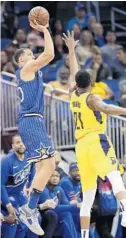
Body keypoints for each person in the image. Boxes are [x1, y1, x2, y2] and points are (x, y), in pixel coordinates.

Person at [63, 31, 126, 238]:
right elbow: (107, 109)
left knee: (88, 193)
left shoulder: (73, 94)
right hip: (96, 140)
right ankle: (125, 211)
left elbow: (74, 71)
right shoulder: (91, 98)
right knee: (115, 174)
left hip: (80, 146)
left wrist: (71, 50)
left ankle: (83, 234)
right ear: (90, 81)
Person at [13, 20, 58, 235]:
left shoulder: (31, 71)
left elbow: (46, 57)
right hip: (31, 120)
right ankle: (29, 209)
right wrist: (44, 29)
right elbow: (49, 54)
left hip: (32, 121)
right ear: (22, 60)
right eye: (29, 54)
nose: (33, 56)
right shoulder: (27, 67)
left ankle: (30, 207)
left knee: (43, 167)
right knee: (49, 166)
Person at [1, 134, 35, 238]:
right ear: (12, 146)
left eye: (23, 141)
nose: (21, 144)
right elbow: (0, 185)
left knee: (30, 220)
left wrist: (30, 187)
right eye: (18, 142)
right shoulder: (6, 161)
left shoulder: (30, 157)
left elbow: (32, 175)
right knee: (13, 222)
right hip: (6, 195)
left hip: (19, 195)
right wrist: (8, 205)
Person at [38, 169, 81, 238]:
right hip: (43, 217)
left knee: (70, 213)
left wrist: (81, 207)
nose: (55, 178)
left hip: (56, 218)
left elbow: (66, 204)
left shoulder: (59, 189)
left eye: (57, 176)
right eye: (52, 176)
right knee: (64, 213)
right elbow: (52, 207)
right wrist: (76, 206)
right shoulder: (43, 189)